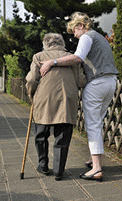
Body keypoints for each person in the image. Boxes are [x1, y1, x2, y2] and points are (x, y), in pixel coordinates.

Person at [39, 12, 119, 182]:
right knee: (99, 120)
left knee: (92, 124)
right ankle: (93, 159)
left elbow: (77, 58)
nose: (73, 35)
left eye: (74, 30)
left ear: (81, 26)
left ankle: (97, 168)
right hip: (111, 81)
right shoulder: (100, 37)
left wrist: (51, 62)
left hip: (96, 83)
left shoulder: (87, 37)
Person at [26, 33, 87, 181]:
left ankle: (43, 166)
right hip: (66, 100)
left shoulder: (38, 57)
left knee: (41, 135)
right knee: (62, 138)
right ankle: (59, 171)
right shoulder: (73, 58)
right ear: (62, 43)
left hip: (44, 101)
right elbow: (81, 81)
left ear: (45, 44)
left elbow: (32, 79)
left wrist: (30, 94)